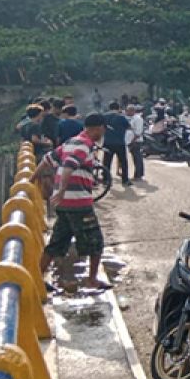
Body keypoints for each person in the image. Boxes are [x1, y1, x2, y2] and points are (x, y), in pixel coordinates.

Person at [41, 114, 111, 291]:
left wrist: (32, 178)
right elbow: (69, 166)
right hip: (78, 203)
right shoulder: (85, 145)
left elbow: (48, 160)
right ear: (98, 128)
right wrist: (63, 188)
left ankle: (37, 278)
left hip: (64, 204)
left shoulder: (71, 142)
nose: (103, 133)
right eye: (103, 129)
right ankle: (92, 280)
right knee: (96, 243)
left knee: (57, 242)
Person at [102, 101, 132, 189]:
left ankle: (105, 179)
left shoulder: (104, 117)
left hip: (107, 142)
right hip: (120, 142)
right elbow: (129, 127)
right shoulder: (122, 117)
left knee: (106, 161)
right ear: (118, 108)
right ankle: (125, 180)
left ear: (109, 107)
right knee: (123, 162)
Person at [127, 104, 146, 182]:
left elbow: (138, 132)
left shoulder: (138, 119)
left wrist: (132, 141)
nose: (126, 112)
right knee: (136, 158)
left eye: (128, 111)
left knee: (137, 158)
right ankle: (138, 174)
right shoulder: (133, 118)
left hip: (136, 141)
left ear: (132, 111)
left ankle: (138, 175)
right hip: (133, 140)